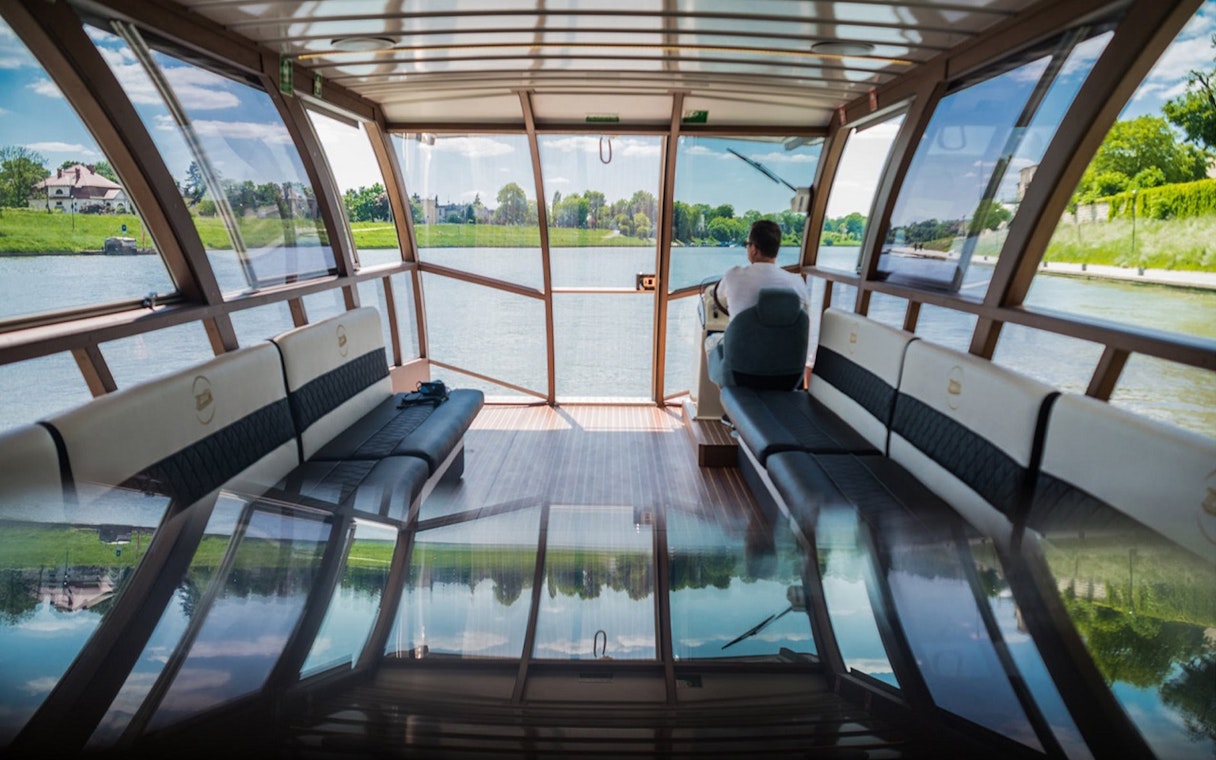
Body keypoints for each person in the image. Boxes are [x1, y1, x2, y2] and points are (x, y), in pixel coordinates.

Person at [714, 219, 807, 318]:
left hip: (742, 333)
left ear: (753, 249)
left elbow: (720, 295)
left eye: (747, 244)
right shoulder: (797, 282)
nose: (747, 248)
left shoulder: (732, 276)